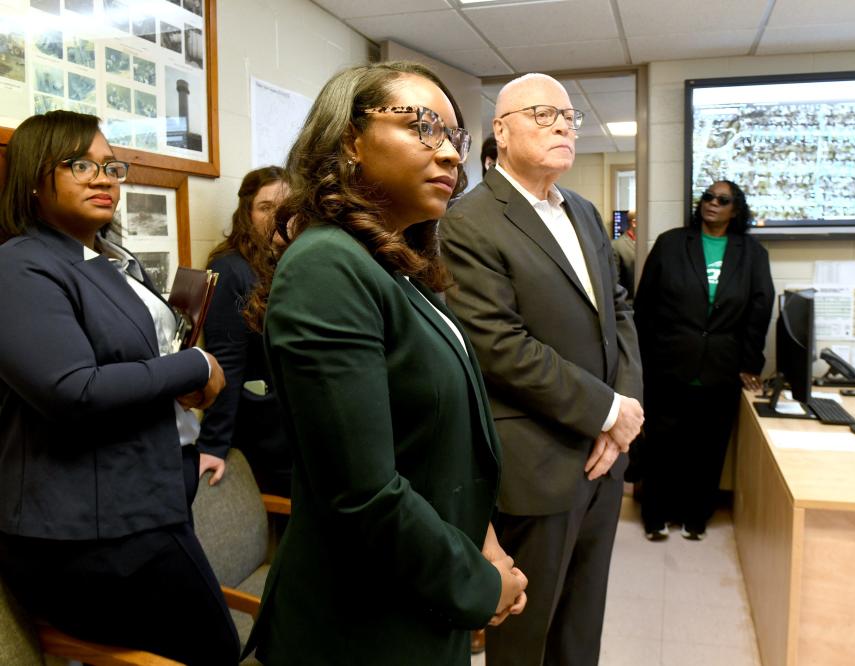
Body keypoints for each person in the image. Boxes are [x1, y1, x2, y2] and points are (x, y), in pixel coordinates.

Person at [242, 62, 528, 665]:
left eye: (456, 138)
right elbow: (363, 494)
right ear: (349, 140)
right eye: (425, 127)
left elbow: (433, 442)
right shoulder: (327, 265)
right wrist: (479, 584)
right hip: (358, 628)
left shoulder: (394, 268)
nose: (450, 156)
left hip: (414, 593)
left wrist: (484, 539)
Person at [0, 110, 239, 665]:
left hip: (141, 502)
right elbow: (72, 390)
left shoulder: (107, 260)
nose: (103, 178)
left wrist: (181, 377)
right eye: (80, 164)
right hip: (88, 533)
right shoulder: (19, 267)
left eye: (112, 166)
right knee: (214, 651)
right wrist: (196, 368)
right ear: (35, 177)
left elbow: (133, 361)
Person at [440, 73, 644, 666]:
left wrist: (624, 413)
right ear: (500, 132)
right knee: (528, 638)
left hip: (605, 458)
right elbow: (499, 345)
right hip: (540, 463)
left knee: (582, 627)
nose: (562, 125)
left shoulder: (582, 210)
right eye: (542, 114)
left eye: (568, 116)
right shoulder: (469, 221)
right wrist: (608, 410)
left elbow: (620, 312)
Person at [634, 180, 773, 541]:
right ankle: (655, 515)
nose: (712, 203)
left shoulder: (752, 254)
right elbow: (644, 306)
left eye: (722, 200)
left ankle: (696, 516)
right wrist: (641, 360)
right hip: (668, 364)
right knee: (662, 446)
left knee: (708, 449)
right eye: (708, 197)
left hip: (722, 368)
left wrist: (750, 364)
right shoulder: (672, 243)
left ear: (735, 210)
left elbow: (759, 312)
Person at [196, 166, 293, 495]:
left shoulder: (294, 261)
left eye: (287, 205)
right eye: (266, 207)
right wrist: (212, 445)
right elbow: (225, 360)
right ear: (247, 213)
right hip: (264, 435)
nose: (279, 214)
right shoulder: (229, 267)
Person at [612, 209, 637, 298]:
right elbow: (615, 282)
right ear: (634, 223)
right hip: (629, 304)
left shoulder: (646, 244)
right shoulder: (616, 246)